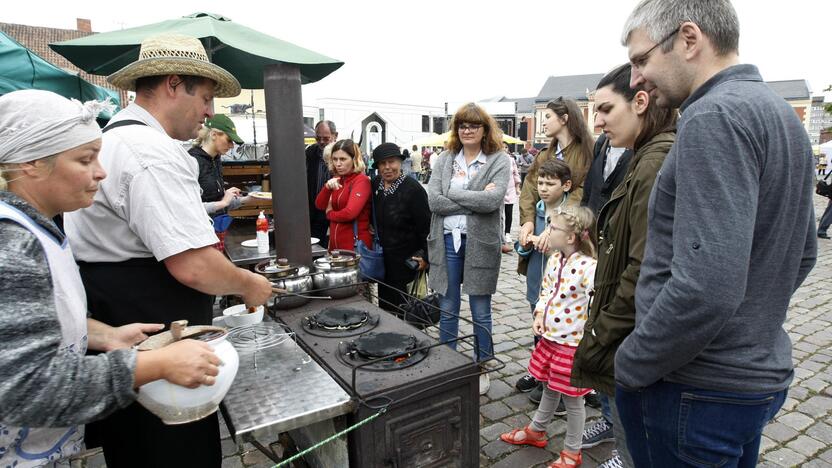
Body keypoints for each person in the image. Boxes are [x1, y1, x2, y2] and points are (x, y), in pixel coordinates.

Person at [615, 1, 817, 466]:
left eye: (642, 59)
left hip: (695, 389)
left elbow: (706, 286)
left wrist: (633, 363)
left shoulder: (713, 116)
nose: (636, 79)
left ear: (689, 39)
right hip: (747, 384)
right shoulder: (779, 113)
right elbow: (802, 253)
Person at [63, 34, 273, 468]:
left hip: (124, 322)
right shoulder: (150, 150)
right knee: (175, 453)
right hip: (153, 332)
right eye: (207, 98)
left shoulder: (117, 136)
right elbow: (193, 266)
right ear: (175, 84)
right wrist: (251, 285)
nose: (209, 113)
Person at [0, 90, 223, 467]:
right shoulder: (11, 244)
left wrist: (104, 335)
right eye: (85, 159)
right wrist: (155, 365)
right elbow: (26, 387)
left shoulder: (41, 228)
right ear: (33, 163)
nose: (101, 172)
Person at [570, 63, 677, 468]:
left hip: (630, 328)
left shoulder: (652, 162)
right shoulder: (642, 156)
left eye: (605, 110)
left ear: (641, 102)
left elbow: (644, 265)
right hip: (626, 323)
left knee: (638, 443)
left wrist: (601, 331)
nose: (596, 122)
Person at [500, 206, 597, 468]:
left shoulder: (589, 267)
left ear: (571, 237)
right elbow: (546, 290)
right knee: (549, 385)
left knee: (573, 399)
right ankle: (537, 430)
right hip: (551, 339)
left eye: (553, 227)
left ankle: (573, 451)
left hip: (571, 344)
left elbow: (596, 300)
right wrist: (539, 315)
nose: (547, 231)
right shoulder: (554, 259)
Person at [427, 103, 509, 395]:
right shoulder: (445, 159)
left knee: (480, 309)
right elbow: (434, 201)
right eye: (462, 125)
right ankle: (447, 363)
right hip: (448, 240)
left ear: (485, 129)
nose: (467, 130)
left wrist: (454, 194)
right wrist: (475, 196)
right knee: (448, 306)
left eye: (474, 125)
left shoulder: (498, 160)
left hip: (480, 244)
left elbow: (493, 201)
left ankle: (482, 364)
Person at [514, 160, 573, 398]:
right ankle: (539, 372)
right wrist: (525, 242)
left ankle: (558, 382)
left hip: (560, 289)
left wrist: (550, 242)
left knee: (558, 333)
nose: (544, 188)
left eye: (550, 183)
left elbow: (573, 251)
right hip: (536, 284)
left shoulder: (570, 214)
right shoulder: (536, 210)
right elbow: (523, 252)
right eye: (540, 183)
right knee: (538, 329)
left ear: (566, 185)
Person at [518, 98, 593, 260]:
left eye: (547, 117)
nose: (543, 123)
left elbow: (581, 192)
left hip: (570, 234)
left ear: (564, 119)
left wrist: (558, 224)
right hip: (540, 227)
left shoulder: (586, 153)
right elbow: (529, 188)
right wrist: (528, 221)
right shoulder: (544, 154)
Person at [370, 143, 431, 310]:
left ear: (400, 162)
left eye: (392, 162)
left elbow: (427, 227)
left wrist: (426, 256)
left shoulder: (413, 189)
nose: (387, 167)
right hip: (385, 260)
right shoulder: (376, 185)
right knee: (386, 306)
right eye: (382, 163)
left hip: (407, 261)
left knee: (406, 309)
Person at [314, 139, 372, 252]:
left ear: (354, 159)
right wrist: (327, 188)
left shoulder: (361, 181)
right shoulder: (338, 179)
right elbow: (319, 205)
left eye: (343, 159)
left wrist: (330, 214)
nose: (338, 164)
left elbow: (349, 213)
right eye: (335, 159)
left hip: (355, 246)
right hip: (336, 246)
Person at [189, 114, 250, 214]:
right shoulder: (192, 161)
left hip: (216, 227)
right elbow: (188, 208)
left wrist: (248, 199)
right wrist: (224, 202)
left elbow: (219, 203)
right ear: (213, 135)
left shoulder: (216, 159)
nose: (231, 146)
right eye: (229, 140)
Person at [581, 133, 632, 216]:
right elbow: (589, 186)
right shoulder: (602, 141)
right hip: (590, 222)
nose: (598, 123)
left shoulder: (642, 149)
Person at [307, 120, 337, 246]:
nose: (321, 142)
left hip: (336, 206)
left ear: (335, 136)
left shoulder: (343, 152)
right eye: (318, 138)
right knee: (315, 242)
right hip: (316, 206)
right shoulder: (310, 152)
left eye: (326, 138)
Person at [503, 146, 522, 247]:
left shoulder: (511, 160)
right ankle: (498, 234)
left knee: (509, 213)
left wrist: (517, 187)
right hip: (498, 190)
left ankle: (507, 233)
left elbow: (516, 174)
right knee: (498, 215)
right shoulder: (494, 159)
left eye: (505, 147)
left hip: (509, 190)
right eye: (502, 146)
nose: (503, 148)